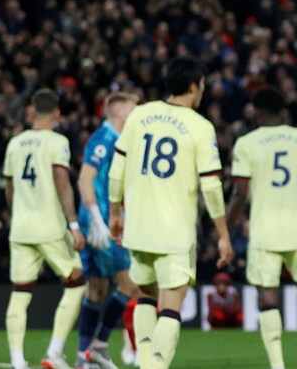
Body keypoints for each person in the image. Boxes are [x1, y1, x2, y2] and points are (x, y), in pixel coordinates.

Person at [109, 56, 234, 369]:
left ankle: (144, 361)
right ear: (193, 86)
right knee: (171, 308)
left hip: (138, 228)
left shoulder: (139, 115)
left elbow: (116, 171)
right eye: (202, 85)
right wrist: (223, 234)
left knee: (146, 297)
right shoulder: (200, 126)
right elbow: (212, 187)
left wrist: (114, 212)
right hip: (174, 232)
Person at [227, 86, 297, 369]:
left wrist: (225, 230)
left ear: (258, 112)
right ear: (282, 110)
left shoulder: (247, 143)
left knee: (268, 297)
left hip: (264, 231)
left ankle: (277, 365)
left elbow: (239, 194)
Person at [2, 89, 86, 369]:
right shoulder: (57, 141)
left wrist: (17, 216)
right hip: (50, 227)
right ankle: (54, 352)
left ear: (30, 111)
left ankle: (17, 361)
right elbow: (62, 180)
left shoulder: (14, 143)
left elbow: (10, 188)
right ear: (58, 113)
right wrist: (73, 225)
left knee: (20, 293)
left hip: (21, 229)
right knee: (76, 284)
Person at [75, 91, 142, 369]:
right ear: (119, 111)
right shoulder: (104, 139)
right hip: (101, 224)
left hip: (101, 222)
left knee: (97, 291)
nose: (137, 113)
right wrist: (97, 220)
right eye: (133, 108)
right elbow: (84, 179)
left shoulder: (119, 139)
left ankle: (83, 357)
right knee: (130, 284)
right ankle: (100, 345)